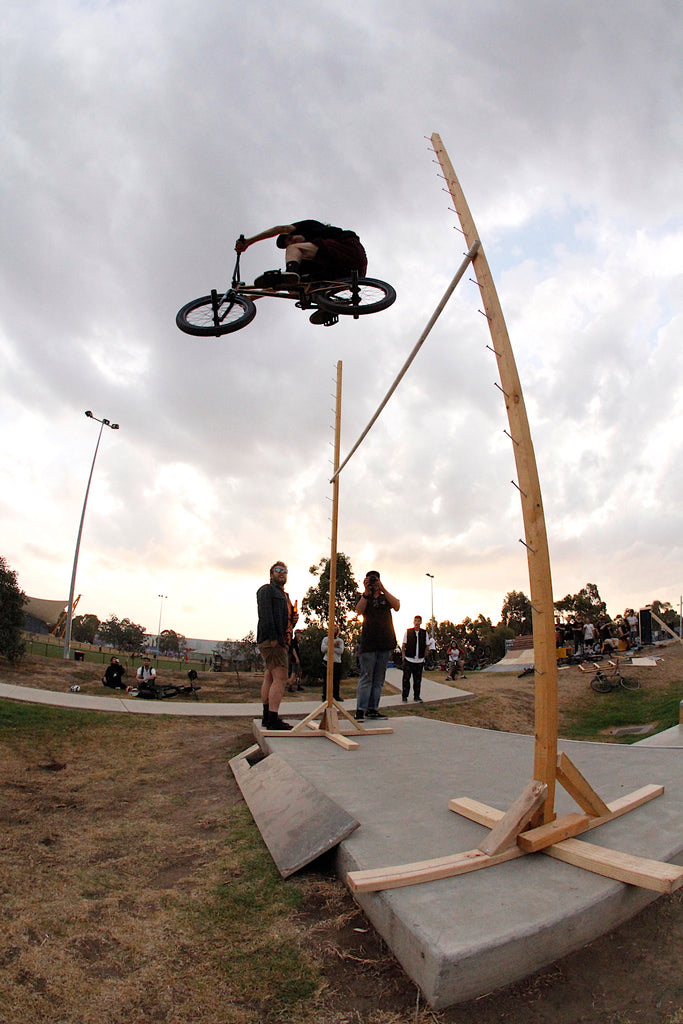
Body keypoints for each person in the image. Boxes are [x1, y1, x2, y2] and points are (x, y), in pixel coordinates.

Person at [235, 220, 367, 325]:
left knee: (294, 258)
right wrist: (251, 297)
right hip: (346, 274)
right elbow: (276, 288)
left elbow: (279, 229)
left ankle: (291, 274)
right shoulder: (309, 260)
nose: (291, 243)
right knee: (297, 286)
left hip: (348, 250)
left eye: (291, 239)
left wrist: (249, 241)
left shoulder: (310, 228)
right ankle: (330, 306)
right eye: (288, 244)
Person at [256, 561, 298, 731]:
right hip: (273, 641)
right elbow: (265, 615)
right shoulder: (267, 590)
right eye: (278, 570)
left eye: (285, 571)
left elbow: (285, 621)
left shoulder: (285, 596)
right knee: (280, 678)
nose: (282, 573)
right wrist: (274, 638)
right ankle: (273, 718)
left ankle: (267, 717)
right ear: (271, 574)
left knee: (270, 676)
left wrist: (293, 622)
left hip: (282, 640)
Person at [354, 571, 400, 721]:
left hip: (385, 643)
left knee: (379, 679)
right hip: (368, 644)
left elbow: (397, 605)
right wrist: (366, 591)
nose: (373, 582)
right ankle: (360, 710)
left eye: (376, 579)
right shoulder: (363, 597)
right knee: (366, 677)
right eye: (371, 579)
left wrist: (383, 589)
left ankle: (373, 709)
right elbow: (359, 610)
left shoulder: (384, 598)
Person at [401, 615, 428, 703]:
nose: (417, 622)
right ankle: (405, 696)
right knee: (406, 679)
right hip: (409, 659)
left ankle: (417, 696)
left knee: (417, 680)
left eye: (418, 621)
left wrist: (424, 657)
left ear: (421, 622)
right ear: (413, 621)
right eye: (416, 621)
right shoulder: (408, 632)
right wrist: (403, 656)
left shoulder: (424, 633)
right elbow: (403, 645)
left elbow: (427, 645)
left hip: (419, 660)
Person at [321, 625, 344, 702]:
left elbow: (340, 651)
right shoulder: (325, 639)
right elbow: (323, 649)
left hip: (336, 662)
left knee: (336, 680)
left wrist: (331, 647)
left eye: (335, 629)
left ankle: (336, 696)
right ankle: (325, 696)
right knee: (326, 680)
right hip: (327, 661)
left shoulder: (340, 641)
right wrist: (333, 644)